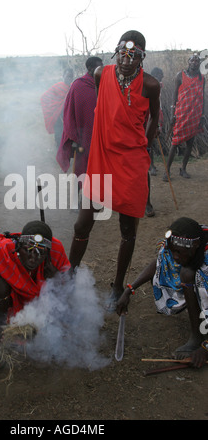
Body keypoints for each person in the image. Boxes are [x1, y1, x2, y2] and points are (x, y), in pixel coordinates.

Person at [68, 30, 160, 311]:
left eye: (132, 56)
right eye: (122, 54)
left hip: (131, 162)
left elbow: (155, 117)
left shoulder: (151, 85)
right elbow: (105, 109)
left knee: (127, 229)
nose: (126, 61)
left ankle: (117, 285)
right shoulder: (100, 74)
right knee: (83, 222)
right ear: (116, 52)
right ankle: (69, 275)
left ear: (141, 57)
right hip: (103, 157)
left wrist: (145, 146)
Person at [116, 217, 208, 368]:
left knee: (188, 274)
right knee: (185, 273)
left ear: (195, 246)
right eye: (173, 251)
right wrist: (129, 290)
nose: (175, 256)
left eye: (179, 252)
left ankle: (200, 337)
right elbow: (160, 262)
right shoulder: (181, 243)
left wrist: (205, 349)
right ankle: (196, 334)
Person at [0, 220, 71, 348]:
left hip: (36, 304)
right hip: (7, 298)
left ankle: (40, 321)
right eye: (27, 250)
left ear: (47, 254)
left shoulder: (55, 252)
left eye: (40, 253)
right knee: (0, 283)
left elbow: (68, 288)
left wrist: (56, 277)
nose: (33, 258)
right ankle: (3, 328)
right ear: (18, 246)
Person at [56, 57, 103, 184]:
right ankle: (78, 200)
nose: (102, 70)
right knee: (82, 172)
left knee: (101, 172)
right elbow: (69, 112)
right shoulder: (78, 85)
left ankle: (98, 199)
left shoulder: (103, 85)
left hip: (101, 136)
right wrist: (73, 136)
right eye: (99, 68)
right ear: (90, 68)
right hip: (83, 138)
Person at [163, 53, 206, 181]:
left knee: (190, 142)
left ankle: (183, 169)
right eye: (192, 60)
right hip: (181, 114)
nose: (195, 62)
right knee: (175, 143)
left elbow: (202, 97)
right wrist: (172, 114)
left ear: (199, 63)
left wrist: (202, 115)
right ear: (188, 62)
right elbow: (174, 96)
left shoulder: (202, 79)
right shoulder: (180, 76)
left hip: (195, 115)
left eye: (197, 60)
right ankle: (167, 171)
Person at [145, 67, 164, 218]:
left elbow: (155, 111)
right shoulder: (122, 84)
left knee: (143, 169)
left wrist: (156, 126)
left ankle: (147, 202)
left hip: (143, 132)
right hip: (124, 134)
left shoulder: (150, 87)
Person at [40, 67, 74, 147]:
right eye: (68, 76)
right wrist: (53, 108)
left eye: (71, 76)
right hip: (58, 117)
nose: (69, 78)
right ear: (63, 76)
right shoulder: (57, 87)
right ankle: (59, 154)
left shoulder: (73, 87)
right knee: (59, 137)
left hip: (68, 118)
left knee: (68, 138)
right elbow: (44, 98)